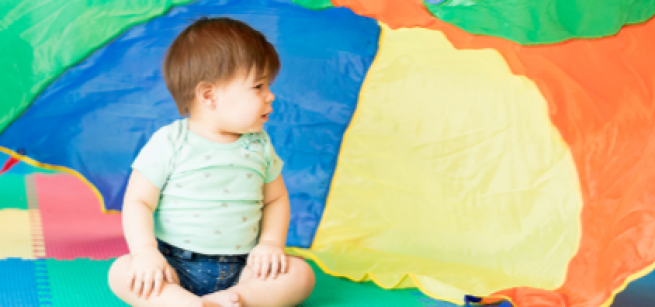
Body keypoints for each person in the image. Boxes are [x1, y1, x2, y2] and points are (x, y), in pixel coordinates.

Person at [108, 17, 315, 307]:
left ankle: (237, 299)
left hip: (245, 268)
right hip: (173, 264)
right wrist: (146, 253)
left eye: (268, 85)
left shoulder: (260, 145)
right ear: (209, 95)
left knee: (301, 274)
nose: (271, 96)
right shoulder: (170, 142)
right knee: (121, 271)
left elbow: (276, 199)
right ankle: (185, 303)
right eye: (258, 86)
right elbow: (138, 202)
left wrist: (270, 244)